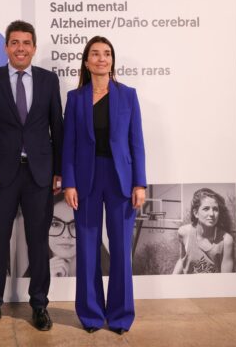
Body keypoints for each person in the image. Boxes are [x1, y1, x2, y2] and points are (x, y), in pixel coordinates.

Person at [0, 20, 63, 332]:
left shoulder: (49, 80)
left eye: (26, 43)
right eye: (15, 42)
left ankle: (39, 305)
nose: (20, 48)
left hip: (39, 174)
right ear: (6, 47)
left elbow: (57, 128)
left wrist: (59, 171)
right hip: (0, 176)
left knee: (38, 242)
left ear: (34, 48)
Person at [63, 36, 146, 335]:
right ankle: (91, 315)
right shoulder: (75, 98)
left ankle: (121, 316)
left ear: (112, 60)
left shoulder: (128, 95)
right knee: (87, 248)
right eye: (95, 54)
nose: (101, 59)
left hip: (120, 179)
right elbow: (69, 144)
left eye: (107, 54)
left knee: (121, 249)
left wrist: (140, 183)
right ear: (86, 62)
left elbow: (136, 142)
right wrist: (69, 182)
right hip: (86, 179)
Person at [173, 188, 234, 274]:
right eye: (206, 209)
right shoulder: (184, 233)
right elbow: (182, 259)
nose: (211, 214)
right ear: (196, 213)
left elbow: (226, 278)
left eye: (215, 209)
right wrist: (172, 278)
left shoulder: (226, 240)